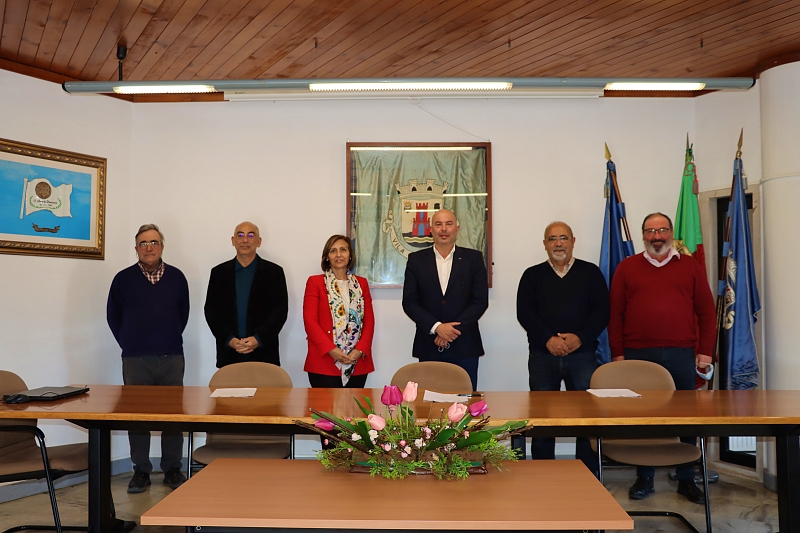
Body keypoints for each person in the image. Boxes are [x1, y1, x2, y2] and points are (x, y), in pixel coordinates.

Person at [608, 212, 716, 505]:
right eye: (651, 231)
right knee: (644, 420)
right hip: (638, 356)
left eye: (663, 230)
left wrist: (705, 352)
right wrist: (618, 356)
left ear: (671, 234)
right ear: (643, 235)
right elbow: (615, 316)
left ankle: (686, 479)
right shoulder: (626, 267)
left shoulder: (690, 266)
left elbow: (707, 313)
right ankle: (645, 478)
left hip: (682, 354)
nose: (657, 236)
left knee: (686, 420)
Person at [517, 221, 609, 473]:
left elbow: (601, 312)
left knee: (585, 418)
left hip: (583, 356)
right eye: (552, 239)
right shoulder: (531, 275)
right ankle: (543, 473)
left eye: (563, 238)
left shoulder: (590, 273)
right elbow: (525, 313)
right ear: (545, 244)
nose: (558, 243)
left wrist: (579, 337)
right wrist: (549, 339)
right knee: (543, 419)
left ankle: (586, 472)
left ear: (573, 241)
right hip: (542, 356)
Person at [106, 224, 189, 493]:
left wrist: (166, 339)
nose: (149, 247)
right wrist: (131, 342)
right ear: (136, 248)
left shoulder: (177, 277)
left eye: (154, 242)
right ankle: (141, 470)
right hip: (135, 359)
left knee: (173, 417)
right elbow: (113, 317)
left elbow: (182, 314)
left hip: (171, 357)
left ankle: (173, 468)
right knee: (137, 417)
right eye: (143, 243)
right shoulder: (122, 279)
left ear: (162, 246)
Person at [402, 208, 488, 390]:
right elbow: (409, 302)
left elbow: (480, 301)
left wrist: (451, 331)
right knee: (428, 406)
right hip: (429, 343)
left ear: (457, 228)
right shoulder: (416, 260)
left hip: (465, 344)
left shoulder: (473, 258)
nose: (444, 229)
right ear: (430, 229)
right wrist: (437, 328)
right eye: (438, 224)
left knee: (464, 404)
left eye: (449, 224)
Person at [204, 221, 288, 368]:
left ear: (259, 241)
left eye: (251, 235)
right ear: (233, 241)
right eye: (240, 235)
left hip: (264, 354)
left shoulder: (274, 272)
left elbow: (280, 311)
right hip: (229, 354)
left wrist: (259, 339)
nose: (245, 240)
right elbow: (211, 311)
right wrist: (229, 339)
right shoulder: (218, 273)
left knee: (265, 392)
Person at [303, 235, 375, 387]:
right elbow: (310, 322)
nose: (338, 255)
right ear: (327, 257)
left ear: (350, 255)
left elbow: (369, 321)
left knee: (354, 410)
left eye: (343, 250)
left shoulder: (361, 283)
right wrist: (332, 350)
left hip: (357, 362)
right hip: (324, 362)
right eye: (333, 251)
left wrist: (360, 350)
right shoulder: (315, 282)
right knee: (325, 410)